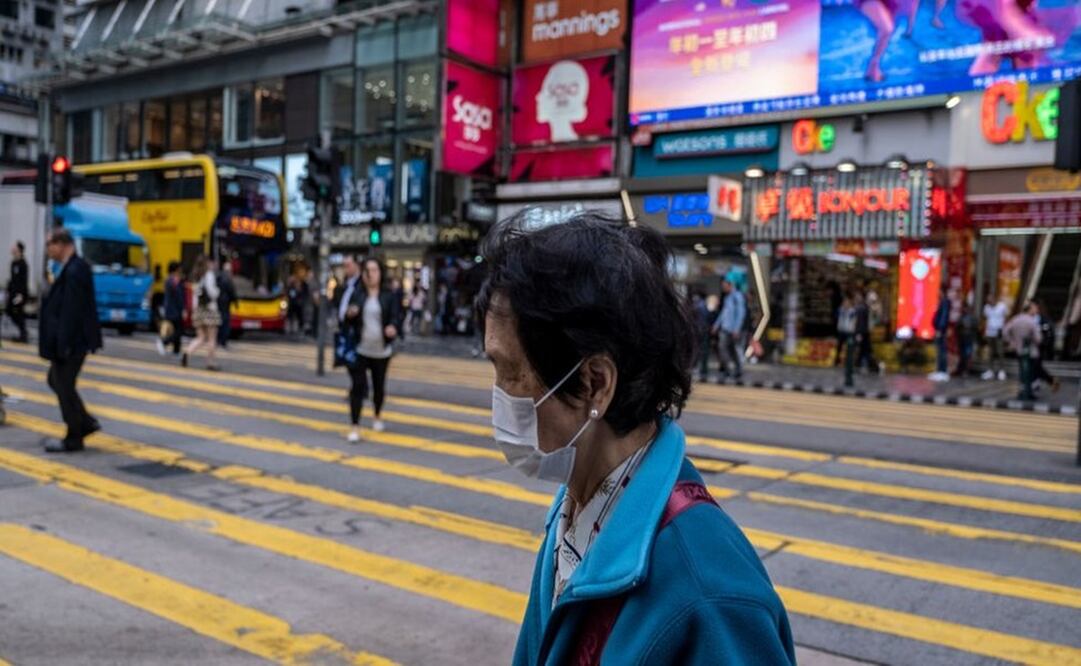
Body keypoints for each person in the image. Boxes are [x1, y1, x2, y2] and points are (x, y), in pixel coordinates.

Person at [476, 213, 794, 665]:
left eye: (510, 371)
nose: (499, 394)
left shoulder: (710, 597)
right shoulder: (578, 502)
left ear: (594, 384)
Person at [38, 228, 103, 452]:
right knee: (56, 381)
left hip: (73, 342)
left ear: (62, 244)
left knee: (63, 385)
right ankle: (84, 422)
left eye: (49, 245)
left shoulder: (76, 269)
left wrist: (63, 344)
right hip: (71, 341)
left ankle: (74, 437)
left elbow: (71, 312)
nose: (48, 250)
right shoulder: (71, 268)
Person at [337, 256, 401, 443]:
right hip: (360, 349)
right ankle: (355, 426)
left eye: (374, 270)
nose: (370, 274)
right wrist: (350, 314)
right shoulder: (357, 294)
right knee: (357, 387)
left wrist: (393, 328)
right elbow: (346, 320)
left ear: (381, 273)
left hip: (381, 351)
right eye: (367, 270)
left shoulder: (388, 295)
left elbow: (396, 317)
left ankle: (377, 415)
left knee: (378, 386)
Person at [182, 255, 221, 370]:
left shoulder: (196, 276)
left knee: (200, 337)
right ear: (207, 263)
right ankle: (210, 362)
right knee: (212, 338)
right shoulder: (209, 275)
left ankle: (187, 352)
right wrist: (217, 291)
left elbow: (195, 296)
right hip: (210, 309)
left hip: (198, 310)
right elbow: (212, 292)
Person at [1004, 301, 1041, 401]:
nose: (1036, 310)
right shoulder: (1032, 321)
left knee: (1022, 371)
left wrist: (1012, 342)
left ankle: (1022, 391)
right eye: (1034, 308)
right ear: (1029, 309)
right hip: (1031, 351)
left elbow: (1006, 331)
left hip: (1019, 350)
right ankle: (1028, 392)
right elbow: (1038, 338)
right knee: (1030, 372)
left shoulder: (1016, 319)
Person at [712, 278, 746, 381]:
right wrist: (716, 325)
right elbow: (723, 313)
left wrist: (736, 329)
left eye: (724, 285)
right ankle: (727, 370)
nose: (723, 287)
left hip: (733, 330)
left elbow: (741, 314)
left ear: (730, 285)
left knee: (734, 350)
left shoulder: (737, 297)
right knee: (722, 349)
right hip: (725, 329)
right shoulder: (727, 298)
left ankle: (738, 370)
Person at [156, 261, 185, 356]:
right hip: (174, 310)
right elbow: (178, 296)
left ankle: (176, 350)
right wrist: (183, 308)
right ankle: (164, 342)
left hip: (171, 309)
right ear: (176, 269)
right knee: (178, 331)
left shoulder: (170, 279)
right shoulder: (173, 280)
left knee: (178, 329)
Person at [1032, 300, 1060, 393]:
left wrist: (1045, 344)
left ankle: (1050, 380)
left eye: (1033, 306)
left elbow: (1048, 333)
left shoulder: (1043, 319)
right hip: (1031, 345)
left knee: (1036, 365)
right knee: (1035, 365)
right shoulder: (1029, 317)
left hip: (1039, 345)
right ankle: (1039, 381)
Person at [6, 241, 29, 343]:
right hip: (12, 293)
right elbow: (13, 279)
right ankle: (23, 333)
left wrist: (21, 294)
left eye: (14, 247)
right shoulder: (13, 263)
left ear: (19, 250)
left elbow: (23, 281)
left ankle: (23, 335)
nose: (12, 248)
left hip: (19, 294)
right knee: (10, 310)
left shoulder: (23, 264)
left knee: (18, 312)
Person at [982, 297, 1009, 380]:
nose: (990, 302)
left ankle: (1002, 370)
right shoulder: (986, 307)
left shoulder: (1002, 306)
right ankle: (990, 370)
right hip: (990, 332)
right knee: (991, 352)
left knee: (1000, 351)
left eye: (991, 301)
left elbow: (1006, 317)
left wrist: (1004, 329)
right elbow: (986, 318)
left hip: (999, 331)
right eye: (988, 301)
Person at [929, 286, 951, 382]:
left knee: (941, 350)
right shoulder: (942, 302)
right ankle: (939, 370)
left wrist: (940, 329)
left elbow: (943, 317)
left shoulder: (945, 302)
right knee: (939, 350)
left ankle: (942, 371)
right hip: (939, 329)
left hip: (940, 330)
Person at [837, 294, 858, 387]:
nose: (845, 304)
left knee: (849, 353)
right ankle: (840, 363)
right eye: (844, 302)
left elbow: (854, 322)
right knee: (841, 349)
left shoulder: (852, 311)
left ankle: (849, 375)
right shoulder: (841, 310)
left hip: (850, 333)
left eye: (847, 302)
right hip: (842, 331)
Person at [216, 259, 238, 350]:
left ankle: (218, 340)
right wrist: (236, 302)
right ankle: (223, 341)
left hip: (219, 302)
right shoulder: (228, 278)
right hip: (226, 303)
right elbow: (232, 291)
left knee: (219, 322)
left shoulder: (218, 276)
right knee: (225, 322)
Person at [691, 291, 711, 380]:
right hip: (704, 329)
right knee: (703, 350)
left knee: (698, 349)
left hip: (699, 329)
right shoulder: (705, 305)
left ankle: (698, 367)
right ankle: (703, 368)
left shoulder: (698, 305)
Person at [955, 302, 978, 378]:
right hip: (963, 338)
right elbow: (957, 326)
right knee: (963, 354)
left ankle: (965, 370)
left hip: (968, 338)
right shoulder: (962, 317)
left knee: (967, 354)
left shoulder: (972, 318)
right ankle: (962, 370)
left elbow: (975, 327)